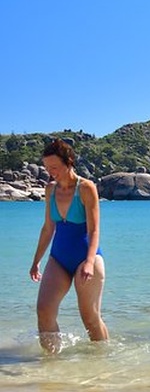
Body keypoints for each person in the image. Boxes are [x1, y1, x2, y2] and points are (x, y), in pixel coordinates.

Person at [29, 139, 109, 352]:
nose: (50, 171)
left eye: (54, 167)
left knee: (90, 319)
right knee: (44, 311)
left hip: (86, 257)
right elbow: (48, 228)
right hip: (59, 259)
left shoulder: (85, 188)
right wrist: (36, 261)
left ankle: (103, 363)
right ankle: (52, 366)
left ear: (69, 162)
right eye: (47, 167)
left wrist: (90, 262)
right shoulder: (50, 190)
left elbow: (94, 230)